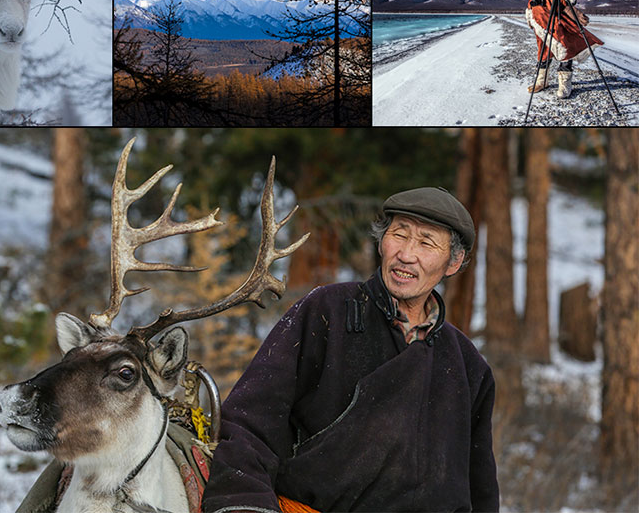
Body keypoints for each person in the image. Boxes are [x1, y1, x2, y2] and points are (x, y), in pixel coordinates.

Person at [202, 187, 499, 513]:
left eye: (426, 243)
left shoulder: (467, 365)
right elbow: (248, 424)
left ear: (453, 262)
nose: (406, 254)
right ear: (382, 242)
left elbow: (479, 487)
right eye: (399, 235)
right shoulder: (326, 311)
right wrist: (245, 504)